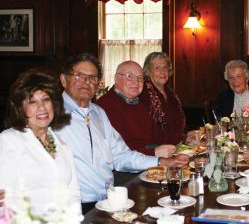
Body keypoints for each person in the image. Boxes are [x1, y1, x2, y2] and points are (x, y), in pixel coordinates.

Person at [56, 53, 189, 214]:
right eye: (79, 75)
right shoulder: (50, 115)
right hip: (73, 207)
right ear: (64, 80)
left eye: (92, 78)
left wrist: (163, 161)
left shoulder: (98, 113)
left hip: (108, 200)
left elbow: (121, 156)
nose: (87, 82)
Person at [0, 69, 82, 219]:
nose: (42, 107)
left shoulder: (62, 143)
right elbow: (5, 200)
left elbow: (73, 191)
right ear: (21, 108)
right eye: (32, 102)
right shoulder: (9, 140)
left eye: (46, 99)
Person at [97, 60, 176, 157]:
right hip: (124, 169)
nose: (136, 82)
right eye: (130, 76)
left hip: (146, 159)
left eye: (140, 78)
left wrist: (185, 138)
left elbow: (158, 136)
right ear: (116, 79)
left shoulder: (137, 103)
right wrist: (154, 152)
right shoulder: (106, 106)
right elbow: (116, 155)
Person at [140, 52, 186, 145]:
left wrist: (186, 136)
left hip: (176, 144)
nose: (162, 72)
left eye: (165, 67)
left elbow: (180, 121)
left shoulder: (170, 92)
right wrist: (182, 138)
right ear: (148, 71)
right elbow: (150, 131)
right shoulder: (143, 93)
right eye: (157, 68)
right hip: (156, 149)